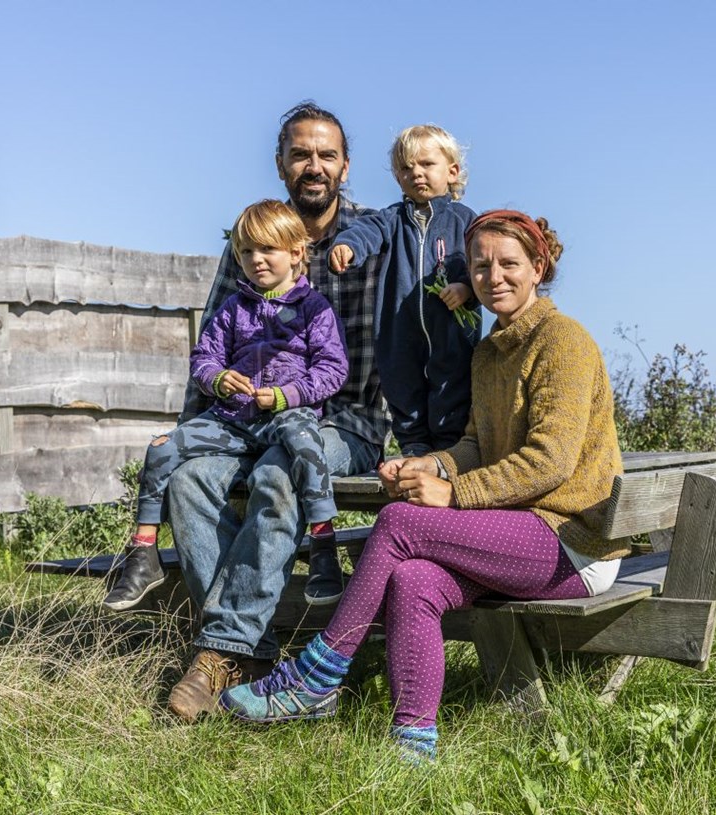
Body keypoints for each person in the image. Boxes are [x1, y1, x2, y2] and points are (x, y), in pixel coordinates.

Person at [220, 210, 626, 762]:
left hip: (572, 544)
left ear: (538, 267)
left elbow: (549, 463)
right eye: (479, 266)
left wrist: (454, 494)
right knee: (413, 579)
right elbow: (476, 444)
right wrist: (429, 465)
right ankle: (413, 744)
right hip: (520, 532)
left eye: (509, 264)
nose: (493, 277)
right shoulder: (490, 351)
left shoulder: (563, 341)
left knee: (398, 522)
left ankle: (318, 674)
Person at [164, 103, 389, 721]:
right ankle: (255, 656)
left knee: (279, 474)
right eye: (300, 154)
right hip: (250, 421)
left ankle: (216, 655)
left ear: (345, 166)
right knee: (188, 482)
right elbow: (211, 344)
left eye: (326, 155)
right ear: (281, 164)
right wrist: (191, 433)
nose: (313, 166)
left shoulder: (375, 239)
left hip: (344, 421)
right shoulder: (253, 242)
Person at [102, 199, 349, 612]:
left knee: (308, 446)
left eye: (267, 249)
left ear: (295, 253)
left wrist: (286, 395)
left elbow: (332, 370)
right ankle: (143, 553)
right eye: (246, 251)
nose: (256, 259)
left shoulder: (314, 310)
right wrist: (218, 379)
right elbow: (204, 358)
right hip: (233, 419)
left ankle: (323, 544)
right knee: (161, 448)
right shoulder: (234, 308)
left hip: (287, 416)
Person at [329, 125, 481, 455]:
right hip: (399, 327)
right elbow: (366, 231)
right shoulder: (392, 219)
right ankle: (414, 446)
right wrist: (348, 246)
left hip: (451, 331)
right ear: (398, 178)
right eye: (406, 167)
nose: (416, 173)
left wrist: (467, 288)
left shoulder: (465, 221)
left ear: (452, 171)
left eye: (426, 164)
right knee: (401, 383)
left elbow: (483, 262)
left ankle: (449, 450)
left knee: (452, 384)